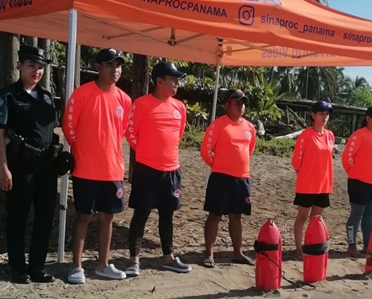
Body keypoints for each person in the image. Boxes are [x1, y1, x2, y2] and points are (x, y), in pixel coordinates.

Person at [0, 45, 62, 284]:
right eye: (31, 65)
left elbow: (50, 132)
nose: (37, 71)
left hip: (46, 168)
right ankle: (18, 268)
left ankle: (37, 267)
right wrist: (3, 167)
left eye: (40, 67)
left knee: (45, 219)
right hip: (20, 166)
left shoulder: (47, 96)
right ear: (19, 65)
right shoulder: (6, 96)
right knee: (18, 218)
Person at [62, 48, 132, 284]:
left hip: (112, 170)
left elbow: (121, 130)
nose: (116, 70)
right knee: (83, 216)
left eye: (119, 65)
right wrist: (84, 151)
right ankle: (76, 266)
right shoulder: (82, 94)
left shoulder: (124, 99)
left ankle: (103, 265)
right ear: (97, 67)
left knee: (107, 217)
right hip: (86, 168)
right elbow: (69, 128)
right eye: (110, 65)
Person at [126, 61, 192, 274]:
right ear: (159, 81)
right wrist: (147, 153)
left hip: (171, 171)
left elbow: (178, 134)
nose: (176, 83)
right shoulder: (142, 104)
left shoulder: (179, 107)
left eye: (177, 79)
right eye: (172, 79)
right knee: (141, 213)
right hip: (147, 170)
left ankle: (168, 257)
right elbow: (130, 133)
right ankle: (134, 259)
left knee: (167, 215)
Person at [200, 89, 257, 268]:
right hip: (220, 178)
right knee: (215, 215)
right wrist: (218, 166)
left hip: (242, 178)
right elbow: (205, 150)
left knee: (236, 216)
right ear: (228, 105)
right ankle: (209, 253)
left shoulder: (249, 127)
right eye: (237, 103)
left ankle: (238, 253)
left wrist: (239, 166)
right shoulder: (219, 125)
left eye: (243, 103)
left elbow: (250, 150)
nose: (241, 106)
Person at [291, 100, 336, 260]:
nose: (325, 117)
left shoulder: (330, 135)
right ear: (313, 115)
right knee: (302, 217)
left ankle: (309, 245)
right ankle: (298, 249)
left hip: (324, 184)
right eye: (321, 114)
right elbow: (296, 160)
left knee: (316, 219)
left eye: (326, 114)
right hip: (307, 184)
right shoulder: (305, 135)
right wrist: (305, 176)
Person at [342, 106, 372, 258]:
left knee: (369, 216)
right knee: (356, 214)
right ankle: (352, 245)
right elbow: (346, 158)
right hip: (359, 182)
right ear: (368, 118)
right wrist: (354, 173)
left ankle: (368, 245)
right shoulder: (359, 135)